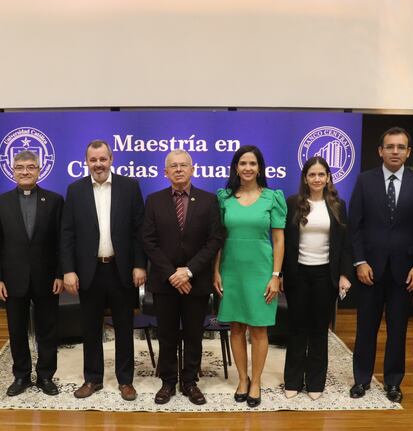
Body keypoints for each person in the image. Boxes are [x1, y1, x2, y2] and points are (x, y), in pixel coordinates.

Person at [348, 127, 413, 403]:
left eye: (400, 147)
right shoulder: (364, 181)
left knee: (398, 330)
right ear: (380, 151)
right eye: (390, 146)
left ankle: (393, 382)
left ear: (408, 152)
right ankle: (361, 379)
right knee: (366, 328)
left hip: (404, 271)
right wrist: (359, 261)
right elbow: (355, 226)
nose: (395, 151)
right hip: (369, 269)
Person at [60, 140, 146, 401]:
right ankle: (93, 378)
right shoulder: (75, 191)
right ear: (86, 161)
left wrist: (140, 265)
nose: (98, 164)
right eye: (93, 160)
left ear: (111, 159)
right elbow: (67, 234)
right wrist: (69, 270)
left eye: (102, 159)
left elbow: (138, 231)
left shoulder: (130, 187)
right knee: (90, 328)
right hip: (89, 271)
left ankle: (125, 381)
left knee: (123, 326)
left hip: (120, 270)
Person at [142, 150, 225, 405]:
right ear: (165, 172)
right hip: (165, 282)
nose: (178, 169)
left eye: (183, 165)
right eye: (173, 166)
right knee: (166, 334)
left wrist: (188, 271)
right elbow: (148, 240)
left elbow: (215, 240)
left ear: (193, 169)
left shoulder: (209, 201)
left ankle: (189, 381)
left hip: (196, 281)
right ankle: (168, 382)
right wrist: (172, 273)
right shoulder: (154, 200)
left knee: (193, 335)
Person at [0, 150, 64, 397]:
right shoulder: (1, 202)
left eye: (31, 167)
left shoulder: (54, 200)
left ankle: (45, 376)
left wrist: (60, 273)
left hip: (47, 278)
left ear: (39, 170)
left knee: (48, 330)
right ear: (12, 171)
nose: (25, 171)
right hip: (12, 280)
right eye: (20, 167)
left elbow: (63, 241)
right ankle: (21, 376)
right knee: (17, 330)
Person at [214, 145, 286, 407]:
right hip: (231, 269)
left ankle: (256, 381)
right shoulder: (224, 198)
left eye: (252, 164)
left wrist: (276, 275)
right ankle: (242, 379)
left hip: (261, 270)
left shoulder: (272, 198)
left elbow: (278, 240)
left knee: (258, 328)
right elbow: (218, 239)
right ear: (236, 167)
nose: (247, 168)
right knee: (236, 326)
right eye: (242, 163)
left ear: (259, 168)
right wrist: (216, 271)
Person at [283, 157, 352, 401]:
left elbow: (345, 244)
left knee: (319, 331)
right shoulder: (293, 203)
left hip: (326, 275)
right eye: (312, 175)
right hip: (298, 274)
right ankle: (292, 380)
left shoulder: (337, 205)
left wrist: (344, 274)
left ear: (328, 177)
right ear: (305, 178)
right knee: (298, 328)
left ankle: (315, 382)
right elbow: (284, 243)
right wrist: (280, 273)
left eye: (321, 174)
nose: (317, 179)